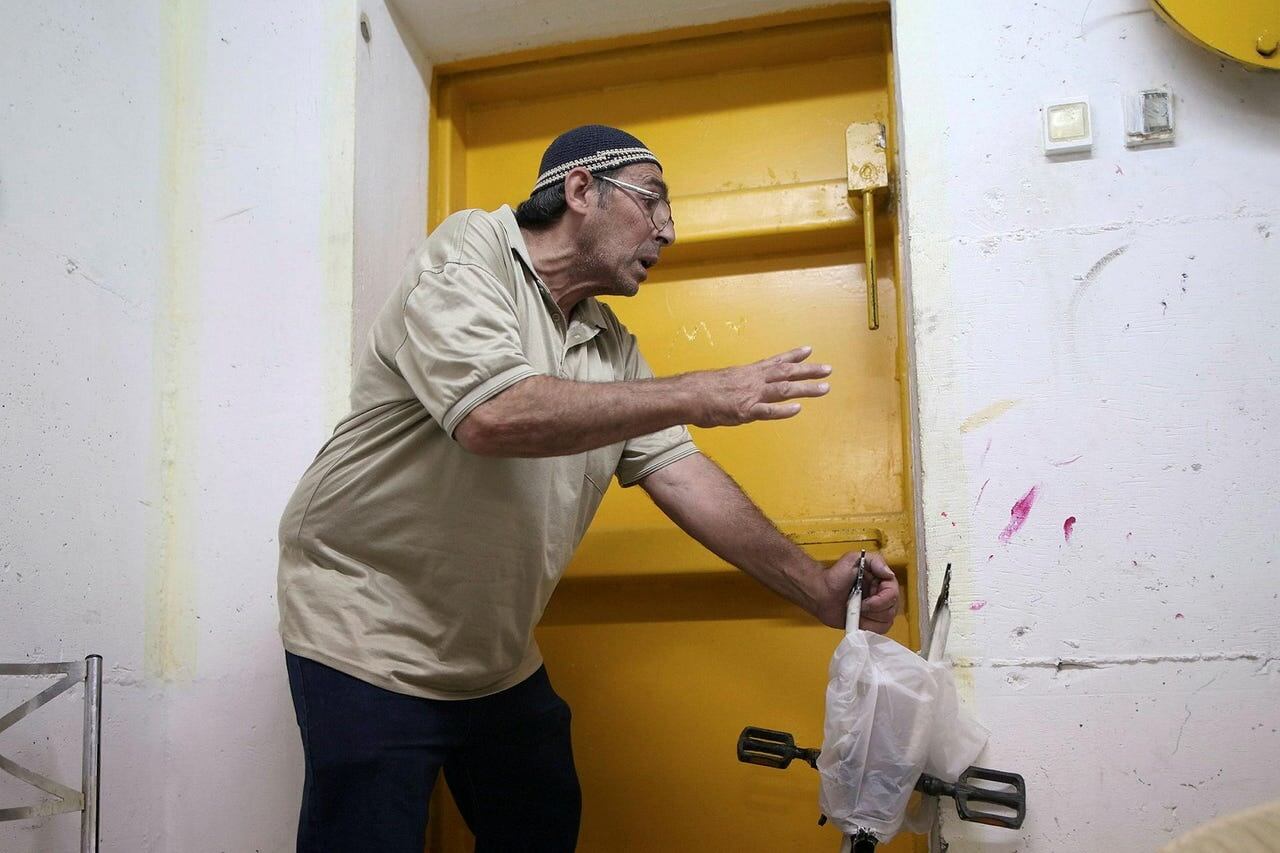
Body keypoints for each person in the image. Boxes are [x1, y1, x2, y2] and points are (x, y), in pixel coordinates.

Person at [277, 124, 900, 853]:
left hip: (492, 657)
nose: (669, 229)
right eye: (654, 201)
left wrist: (815, 588)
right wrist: (697, 391)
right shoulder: (472, 252)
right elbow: (493, 413)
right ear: (580, 190)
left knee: (540, 820)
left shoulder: (610, 344)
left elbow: (684, 476)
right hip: (363, 626)